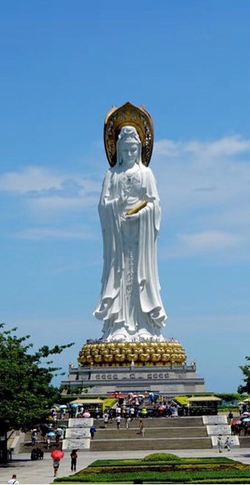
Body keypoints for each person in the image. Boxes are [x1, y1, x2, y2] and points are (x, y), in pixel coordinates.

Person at [94, 125, 167, 341]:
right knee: (119, 276)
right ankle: (118, 326)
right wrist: (117, 205)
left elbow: (155, 206)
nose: (129, 154)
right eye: (124, 150)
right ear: (117, 150)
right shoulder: (111, 175)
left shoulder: (146, 174)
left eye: (133, 150)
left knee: (140, 277)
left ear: (139, 150)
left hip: (140, 236)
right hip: (118, 238)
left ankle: (144, 325)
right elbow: (102, 206)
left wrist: (142, 215)